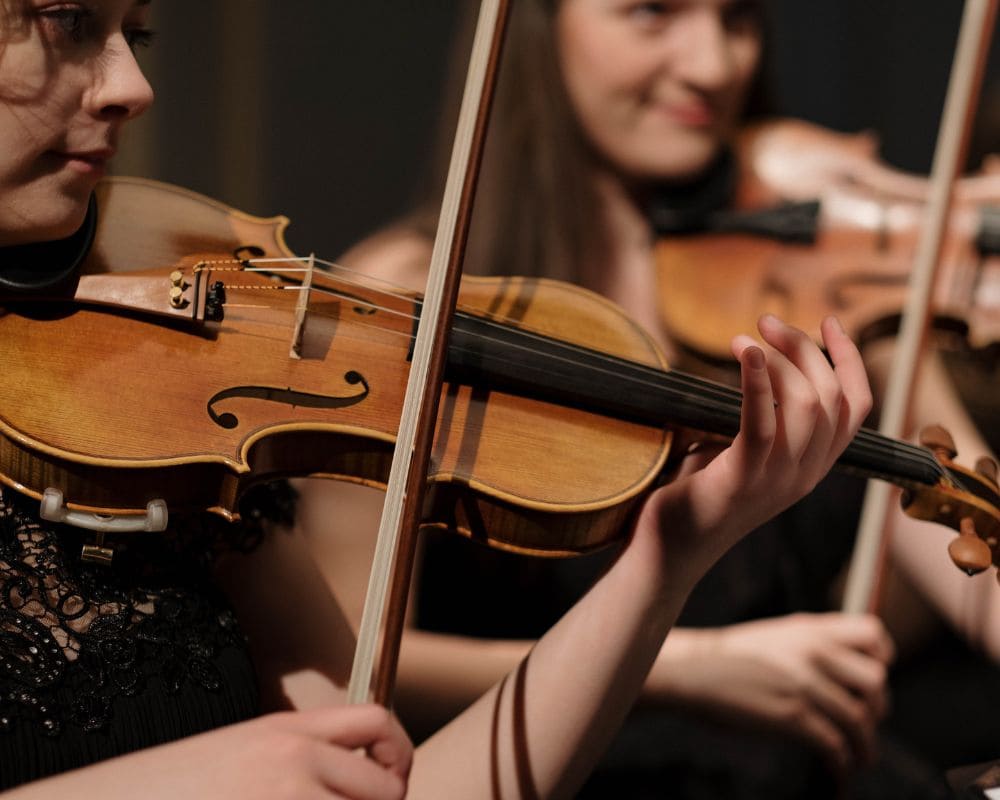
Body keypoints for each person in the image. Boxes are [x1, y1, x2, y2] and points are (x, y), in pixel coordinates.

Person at [0, 1, 875, 797]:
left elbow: (411, 792)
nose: (133, 86)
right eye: (68, 22)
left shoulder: (165, 393)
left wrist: (664, 563)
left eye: (136, 35)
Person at [298, 0, 1000, 797]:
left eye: (736, 19)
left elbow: (972, 545)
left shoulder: (819, 274)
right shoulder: (412, 292)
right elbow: (352, 664)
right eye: (653, 12)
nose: (713, 64)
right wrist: (688, 670)